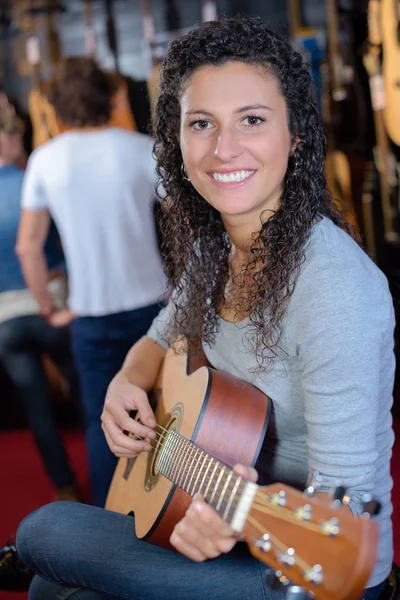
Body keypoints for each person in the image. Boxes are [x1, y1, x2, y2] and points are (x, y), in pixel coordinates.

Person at [15, 15, 395, 600]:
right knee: (50, 588)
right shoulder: (216, 249)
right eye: (201, 124)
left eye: (252, 120)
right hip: (214, 518)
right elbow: (159, 336)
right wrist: (125, 381)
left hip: (315, 570)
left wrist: (237, 519)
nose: (224, 148)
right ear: (177, 142)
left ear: (295, 136)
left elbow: (347, 514)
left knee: (45, 531)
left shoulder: (337, 289)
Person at [15, 57, 167, 508]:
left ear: (57, 104)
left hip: (91, 315)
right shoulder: (141, 148)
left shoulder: (45, 159)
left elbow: (29, 246)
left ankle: (111, 526)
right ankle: (167, 510)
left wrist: (48, 306)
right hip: (156, 309)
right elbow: (191, 221)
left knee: (105, 423)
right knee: (169, 416)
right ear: (109, 96)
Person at [0, 97, 80, 501]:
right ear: (13, 137)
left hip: (4, 320)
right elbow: (64, 244)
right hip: (49, 304)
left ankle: (65, 486)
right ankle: (117, 474)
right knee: (88, 391)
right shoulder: (33, 181)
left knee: (37, 407)